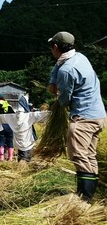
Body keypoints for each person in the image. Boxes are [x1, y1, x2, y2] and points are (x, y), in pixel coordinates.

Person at [47, 31, 106, 202]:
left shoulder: (67, 70)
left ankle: (84, 199)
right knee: (89, 155)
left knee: (79, 156)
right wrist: (53, 81)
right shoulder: (80, 57)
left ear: (55, 47)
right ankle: (87, 196)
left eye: (52, 46)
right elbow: (58, 68)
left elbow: (64, 99)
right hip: (99, 115)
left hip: (83, 118)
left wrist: (56, 95)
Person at [0, 93, 15, 161]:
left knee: (1, 141)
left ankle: (1, 157)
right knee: (10, 141)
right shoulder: (8, 105)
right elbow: (13, 115)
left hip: (1, 125)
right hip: (10, 126)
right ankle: (10, 157)